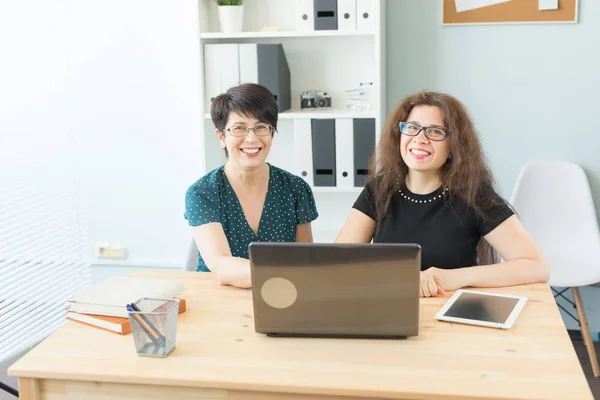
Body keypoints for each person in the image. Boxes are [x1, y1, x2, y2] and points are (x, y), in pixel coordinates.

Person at [335, 91, 549, 297]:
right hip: (389, 306)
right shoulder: (378, 189)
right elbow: (336, 263)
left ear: (454, 146)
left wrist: (449, 278)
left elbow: (537, 267)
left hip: (452, 315)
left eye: (435, 131)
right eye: (412, 128)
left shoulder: (475, 195)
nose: (420, 139)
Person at [184, 83, 319, 288]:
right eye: (239, 128)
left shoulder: (296, 189)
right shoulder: (202, 193)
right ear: (221, 137)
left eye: (261, 127)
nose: (251, 138)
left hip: (280, 295)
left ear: (272, 133)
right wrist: (285, 273)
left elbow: (305, 261)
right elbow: (221, 266)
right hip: (217, 301)